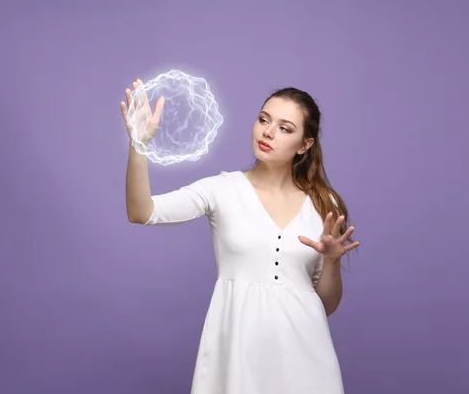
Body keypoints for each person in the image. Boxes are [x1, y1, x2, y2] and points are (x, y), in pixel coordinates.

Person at [121, 78, 360, 394]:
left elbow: (325, 305)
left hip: (306, 355)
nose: (268, 132)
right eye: (264, 120)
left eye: (285, 128)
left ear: (305, 145)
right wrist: (139, 144)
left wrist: (330, 262)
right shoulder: (221, 189)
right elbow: (142, 211)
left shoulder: (324, 203)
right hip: (237, 352)